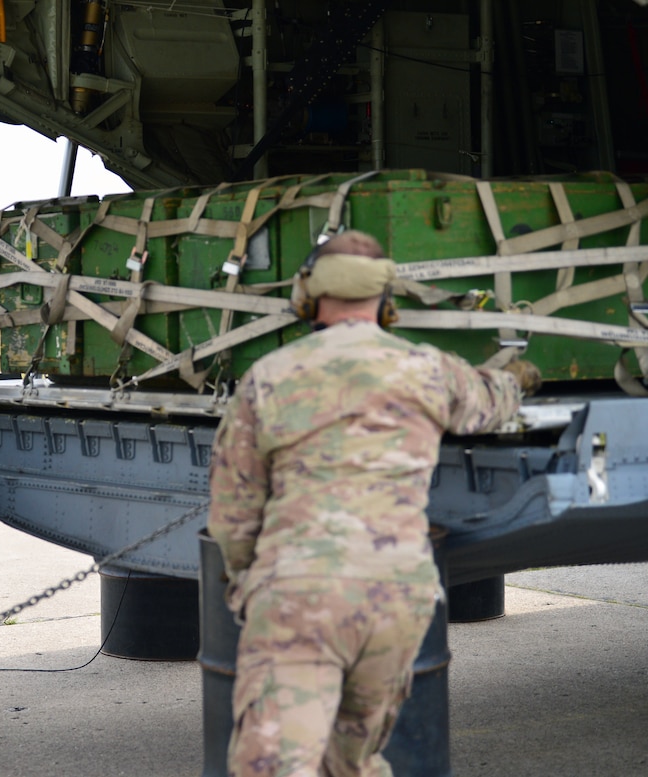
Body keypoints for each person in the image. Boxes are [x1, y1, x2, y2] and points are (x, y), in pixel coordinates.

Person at [206, 230, 540, 777]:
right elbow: (490, 402)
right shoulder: (428, 369)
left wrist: (249, 583)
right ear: (386, 302)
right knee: (352, 762)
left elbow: (234, 512)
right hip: (397, 602)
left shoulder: (269, 378)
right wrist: (515, 378)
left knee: (273, 767)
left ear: (307, 296)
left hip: (300, 597)